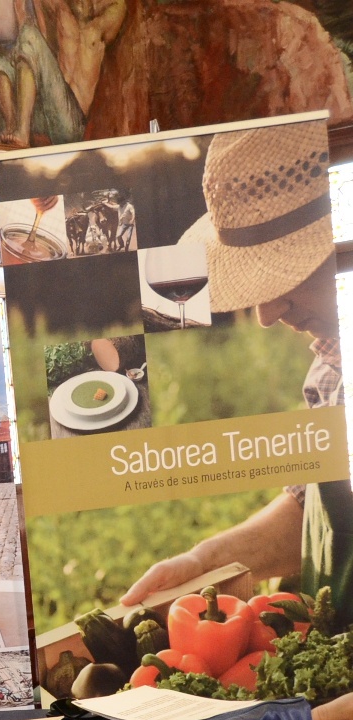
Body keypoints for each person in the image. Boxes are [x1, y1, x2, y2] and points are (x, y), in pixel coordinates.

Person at [121, 123, 342, 614]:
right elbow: (316, 511)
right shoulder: (330, 371)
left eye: (287, 272)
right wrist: (204, 561)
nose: (266, 315)